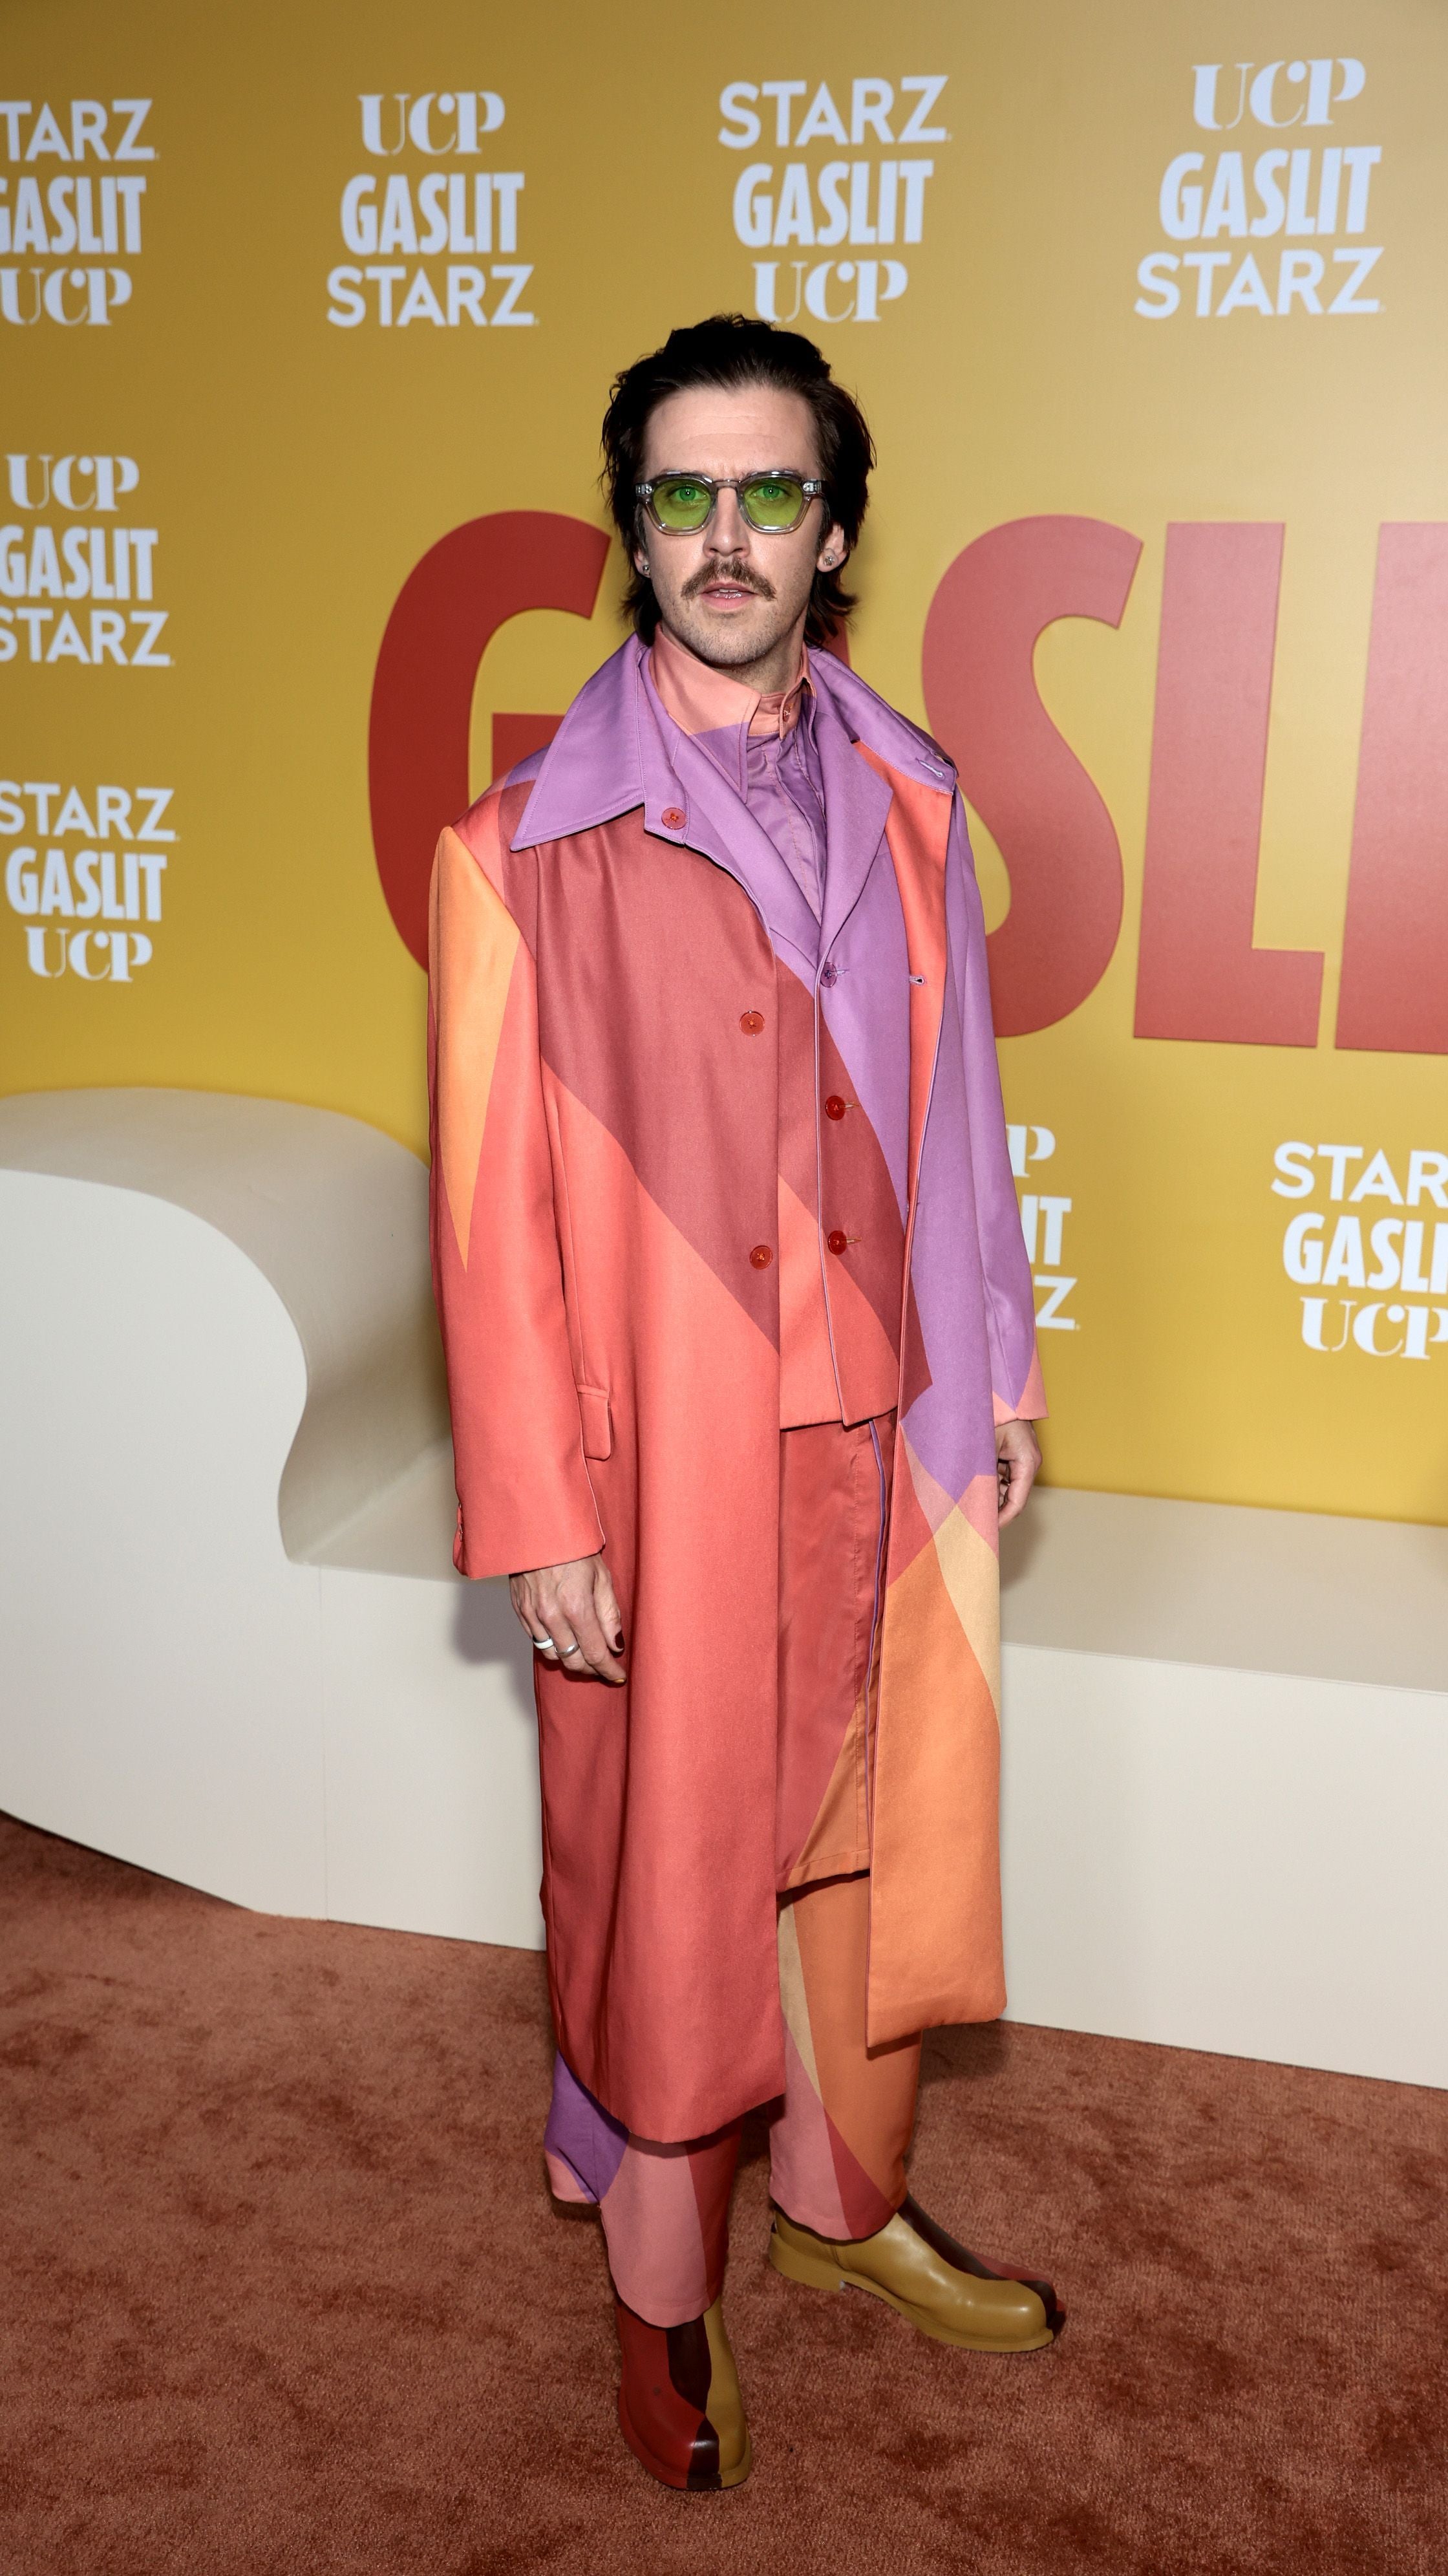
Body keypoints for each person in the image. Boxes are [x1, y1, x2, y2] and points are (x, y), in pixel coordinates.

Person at [427, 314, 1059, 2493]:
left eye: (767, 490)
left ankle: (845, 2204)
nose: (724, 532)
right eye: (682, 492)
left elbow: (962, 1112)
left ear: (836, 528)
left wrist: (1001, 1359)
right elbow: (490, 1226)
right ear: (634, 527)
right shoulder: (512, 850)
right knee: (672, 1887)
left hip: (884, 1432)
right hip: (663, 1459)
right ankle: (660, 2290)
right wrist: (536, 1514)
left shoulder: (914, 791)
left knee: (867, 1850)